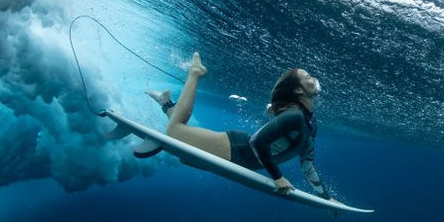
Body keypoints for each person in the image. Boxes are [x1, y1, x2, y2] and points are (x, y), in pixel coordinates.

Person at [139, 52, 333, 200]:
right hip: (235, 149)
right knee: (174, 132)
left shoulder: (310, 124)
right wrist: (278, 177)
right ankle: (195, 73)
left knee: (184, 156)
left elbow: (307, 164)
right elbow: (258, 141)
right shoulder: (295, 117)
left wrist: (326, 196)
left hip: (237, 155)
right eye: (307, 76)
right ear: (299, 90)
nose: (313, 78)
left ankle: (166, 103)